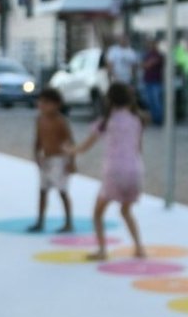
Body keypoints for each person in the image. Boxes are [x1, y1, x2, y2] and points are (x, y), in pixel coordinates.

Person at [68, 82, 148, 260]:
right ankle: (139, 247)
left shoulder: (106, 122)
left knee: (98, 213)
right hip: (135, 170)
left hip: (114, 171)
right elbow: (139, 149)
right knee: (126, 211)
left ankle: (102, 250)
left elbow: (84, 147)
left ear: (109, 100)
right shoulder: (137, 121)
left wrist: (70, 150)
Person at [27, 88, 76, 233]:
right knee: (42, 190)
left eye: (46, 103)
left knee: (62, 191)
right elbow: (38, 139)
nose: (42, 105)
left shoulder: (60, 121)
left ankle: (68, 222)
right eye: (41, 102)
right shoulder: (39, 119)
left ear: (56, 104)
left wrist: (71, 162)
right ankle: (40, 221)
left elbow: (70, 142)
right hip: (46, 158)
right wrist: (36, 155)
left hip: (59, 159)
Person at [139, 37, 166, 126]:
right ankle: (154, 119)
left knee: (156, 101)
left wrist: (147, 64)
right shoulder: (146, 54)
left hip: (156, 81)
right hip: (148, 80)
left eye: (153, 44)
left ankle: (159, 119)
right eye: (150, 44)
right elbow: (142, 65)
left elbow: (147, 65)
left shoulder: (159, 55)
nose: (151, 45)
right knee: (150, 101)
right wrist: (146, 64)